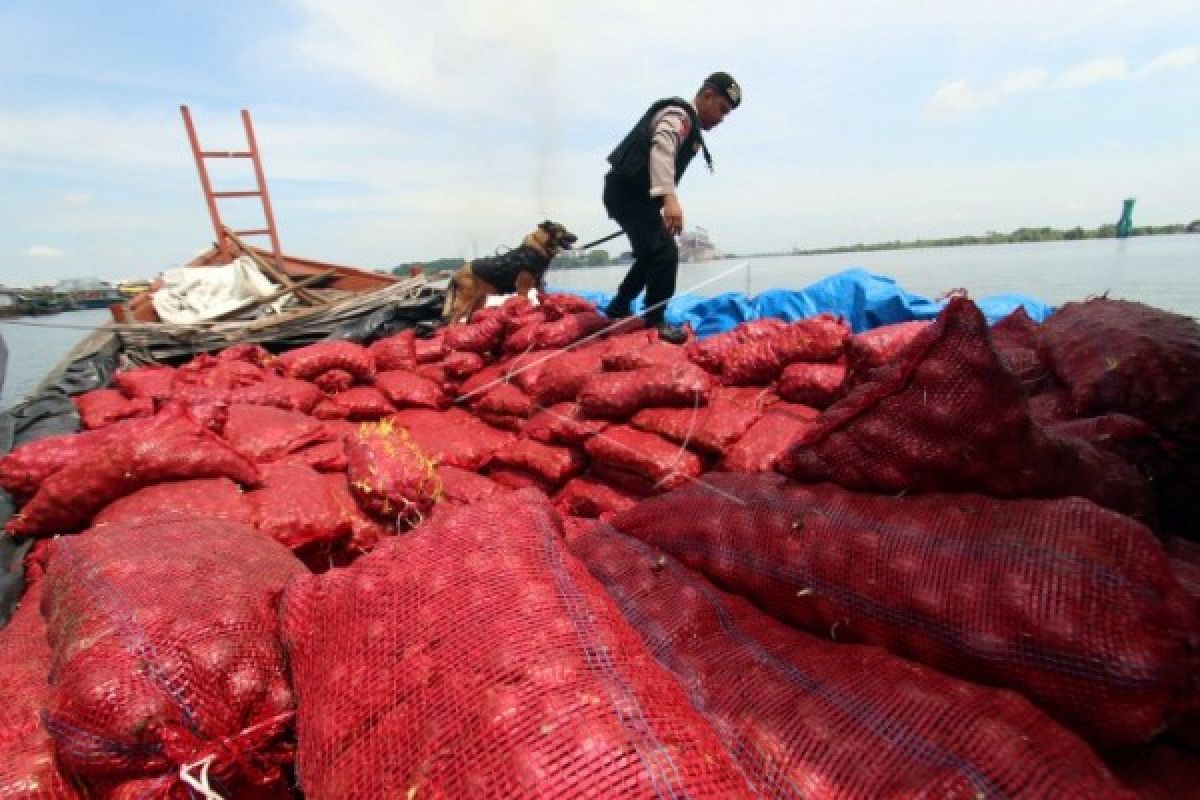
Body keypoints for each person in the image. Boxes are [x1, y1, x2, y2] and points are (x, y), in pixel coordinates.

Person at [602, 71, 741, 344]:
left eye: (727, 115)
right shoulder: (679, 117)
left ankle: (619, 306)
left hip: (631, 195)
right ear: (707, 95)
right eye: (721, 109)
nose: (721, 119)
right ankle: (655, 320)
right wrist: (670, 198)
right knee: (664, 252)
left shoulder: (691, 128)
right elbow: (662, 146)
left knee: (650, 253)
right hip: (627, 193)